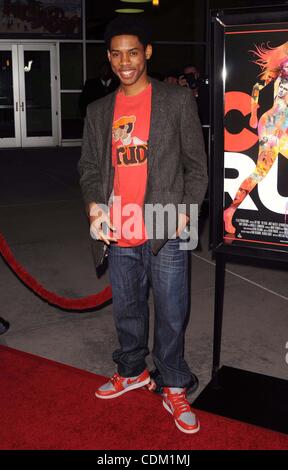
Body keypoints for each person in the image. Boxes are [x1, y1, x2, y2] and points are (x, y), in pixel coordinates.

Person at [78, 15, 207, 434]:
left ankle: (172, 382)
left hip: (166, 220)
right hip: (118, 225)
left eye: (133, 52)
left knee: (172, 312)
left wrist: (186, 210)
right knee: (127, 309)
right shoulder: (99, 111)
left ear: (147, 52)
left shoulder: (176, 101)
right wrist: (96, 209)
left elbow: (197, 167)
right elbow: (89, 168)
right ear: (109, 58)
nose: (124, 61)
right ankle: (132, 370)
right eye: (116, 54)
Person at [224, 42, 288, 234]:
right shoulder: (285, 68)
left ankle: (230, 210)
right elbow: (257, 86)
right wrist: (253, 113)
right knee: (260, 171)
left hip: (282, 125)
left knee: (260, 172)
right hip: (274, 125)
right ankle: (230, 211)